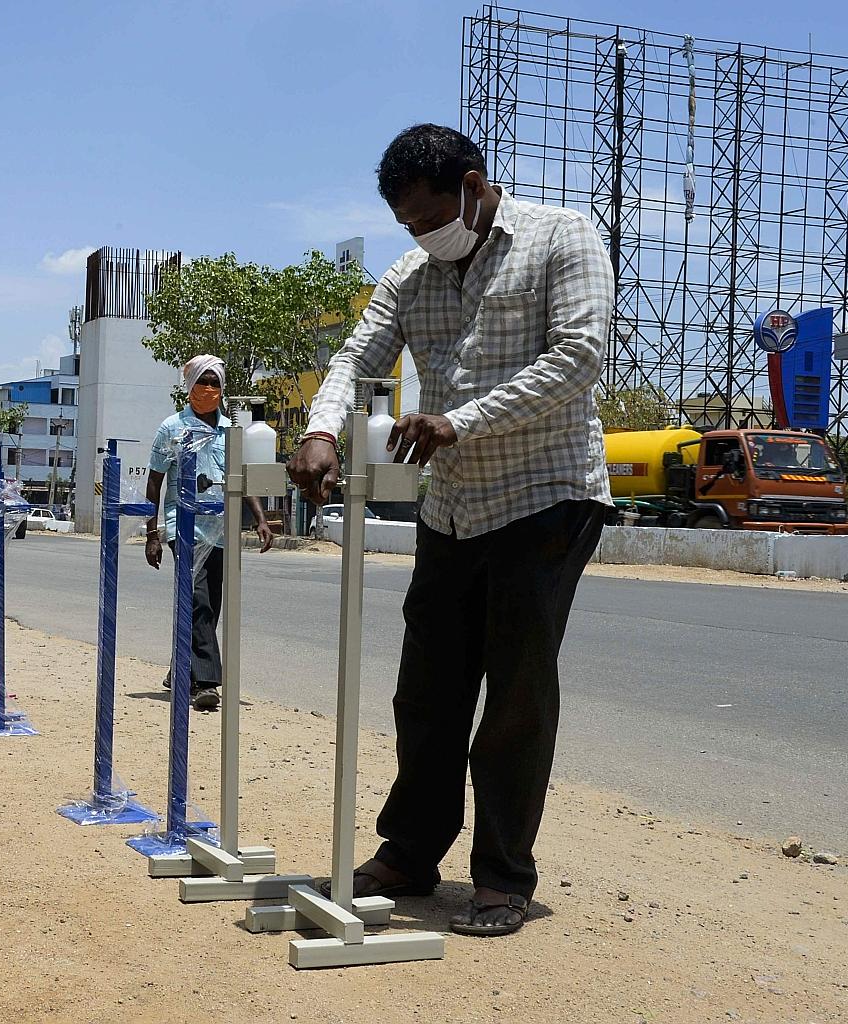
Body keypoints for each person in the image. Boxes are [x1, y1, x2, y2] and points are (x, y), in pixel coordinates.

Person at [287, 124, 613, 937]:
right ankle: (411, 851)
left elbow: (579, 357)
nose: (423, 234)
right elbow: (354, 358)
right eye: (407, 225)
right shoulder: (411, 271)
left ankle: (502, 878)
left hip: (544, 495)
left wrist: (459, 421)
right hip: (452, 507)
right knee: (426, 689)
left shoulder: (561, 237)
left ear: (474, 185)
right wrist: (321, 429)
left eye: (431, 216)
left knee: (516, 692)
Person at [145, 354, 275, 712]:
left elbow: (242, 476)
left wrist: (260, 519)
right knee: (198, 600)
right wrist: (152, 533)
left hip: (220, 529)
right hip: (183, 526)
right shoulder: (171, 428)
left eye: (215, 383)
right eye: (203, 381)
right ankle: (205, 682)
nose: (209, 389)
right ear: (190, 387)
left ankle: (180, 670)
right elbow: (154, 482)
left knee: (208, 605)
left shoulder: (230, 432)